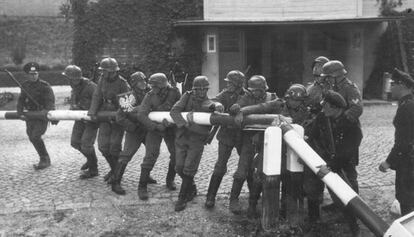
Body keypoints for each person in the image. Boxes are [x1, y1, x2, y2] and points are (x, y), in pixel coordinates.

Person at [306, 90, 362, 236]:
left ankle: (353, 226)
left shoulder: (351, 124)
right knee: (312, 189)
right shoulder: (322, 117)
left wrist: (331, 166)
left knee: (345, 194)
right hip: (322, 160)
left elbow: (348, 149)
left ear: (336, 108)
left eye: (326, 106)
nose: (323, 108)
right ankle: (314, 221)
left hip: (341, 164)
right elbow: (312, 137)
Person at [170, 76, 224, 211]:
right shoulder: (186, 97)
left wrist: (217, 106)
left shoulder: (208, 102)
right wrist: (185, 124)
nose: (201, 92)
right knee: (178, 167)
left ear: (207, 90)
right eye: (198, 89)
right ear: (193, 89)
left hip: (197, 139)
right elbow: (174, 111)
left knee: (189, 168)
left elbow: (212, 106)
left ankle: (182, 199)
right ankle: (191, 186)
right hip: (182, 137)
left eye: (204, 89)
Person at [227, 75, 277, 214]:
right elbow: (234, 109)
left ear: (264, 89)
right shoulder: (246, 97)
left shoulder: (272, 97)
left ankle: (253, 204)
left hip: (266, 141)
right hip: (249, 140)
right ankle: (233, 200)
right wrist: (236, 109)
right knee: (241, 171)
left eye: (258, 90)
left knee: (260, 173)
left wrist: (244, 111)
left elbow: (269, 107)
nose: (255, 93)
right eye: (253, 90)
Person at [204, 70, 247, 209]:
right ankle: (210, 197)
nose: (227, 84)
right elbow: (213, 100)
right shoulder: (225, 94)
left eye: (230, 82)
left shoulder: (247, 95)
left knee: (246, 167)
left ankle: (243, 198)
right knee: (220, 166)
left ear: (238, 84)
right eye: (227, 82)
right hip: (227, 134)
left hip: (243, 136)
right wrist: (216, 105)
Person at [136, 73, 181, 200]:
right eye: (152, 86)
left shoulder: (174, 92)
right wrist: (156, 126)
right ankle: (142, 186)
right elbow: (141, 115)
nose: (153, 89)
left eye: (155, 86)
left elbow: (181, 107)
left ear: (163, 86)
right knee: (151, 155)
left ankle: (170, 179)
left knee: (176, 154)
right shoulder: (149, 96)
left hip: (171, 128)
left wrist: (172, 122)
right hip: (155, 128)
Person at [88, 57, 130, 183]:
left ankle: (116, 174)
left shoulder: (123, 83)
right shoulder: (102, 80)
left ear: (113, 71)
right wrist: (93, 112)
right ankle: (114, 169)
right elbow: (97, 96)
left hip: (118, 117)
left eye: (104, 71)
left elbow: (128, 105)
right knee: (103, 147)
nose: (102, 73)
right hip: (104, 115)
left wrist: (120, 115)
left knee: (114, 148)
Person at [379, 68, 414, 215]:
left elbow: (403, 143)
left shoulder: (406, 108)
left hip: (408, 161)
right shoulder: (409, 104)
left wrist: (388, 162)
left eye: (393, 84)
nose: (391, 87)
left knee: (406, 199)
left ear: (403, 86)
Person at [111, 71, 150, 195]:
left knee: (151, 154)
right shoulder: (128, 97)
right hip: (135, 130)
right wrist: (132, 127)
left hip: (148, 129)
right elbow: (120, 118)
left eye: (144, 80)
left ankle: (146, 176)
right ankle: (115, 182)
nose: (143, 83)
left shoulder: (150, 93)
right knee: (126, 155)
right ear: (134, 84)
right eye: (140, 82)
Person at [17, 62, 56, 170]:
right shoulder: (25, 86)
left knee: (35, 136)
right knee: (30, 136)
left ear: (38, 74)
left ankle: (45, 159)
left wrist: (45, 113)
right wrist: (20, 113)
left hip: (42, 115)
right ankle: (43, 157)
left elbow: (50, 102)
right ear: (27, 74)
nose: (33, 76)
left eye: (35, 73)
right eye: (31, 74)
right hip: (30, 115)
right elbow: (21, 100)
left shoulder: (45, 86)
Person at [62, 65, 99, 179]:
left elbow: (99, 101)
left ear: (74, 78)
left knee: (86, 145)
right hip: (80, 119)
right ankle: (91, 159)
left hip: (91, 120)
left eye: (68, 78)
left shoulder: (91, 87)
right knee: (75, 142)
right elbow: (74, 103)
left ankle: (93, 169)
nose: (67, 80)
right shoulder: (74, 87)